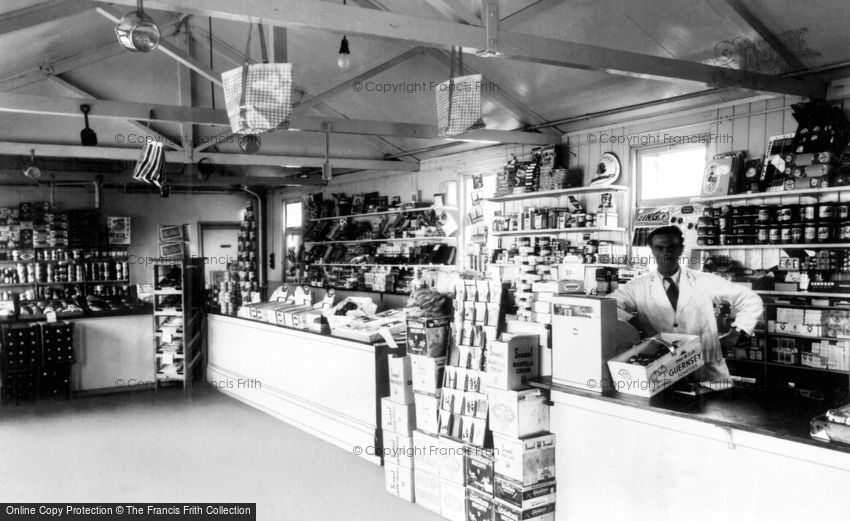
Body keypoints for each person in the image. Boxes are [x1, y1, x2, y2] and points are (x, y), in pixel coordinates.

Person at [610, 225, 763, 384]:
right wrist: (633, 323)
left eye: (671, 247)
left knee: (715, 407)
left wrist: (736, 334)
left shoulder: (704, 280)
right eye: (659, 248)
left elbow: (751, 299)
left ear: (681, 249)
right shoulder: (637, 286)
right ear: (652, 251)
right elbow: (606, 305)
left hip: (707, 371)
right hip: (661, 371)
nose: (665, 253)